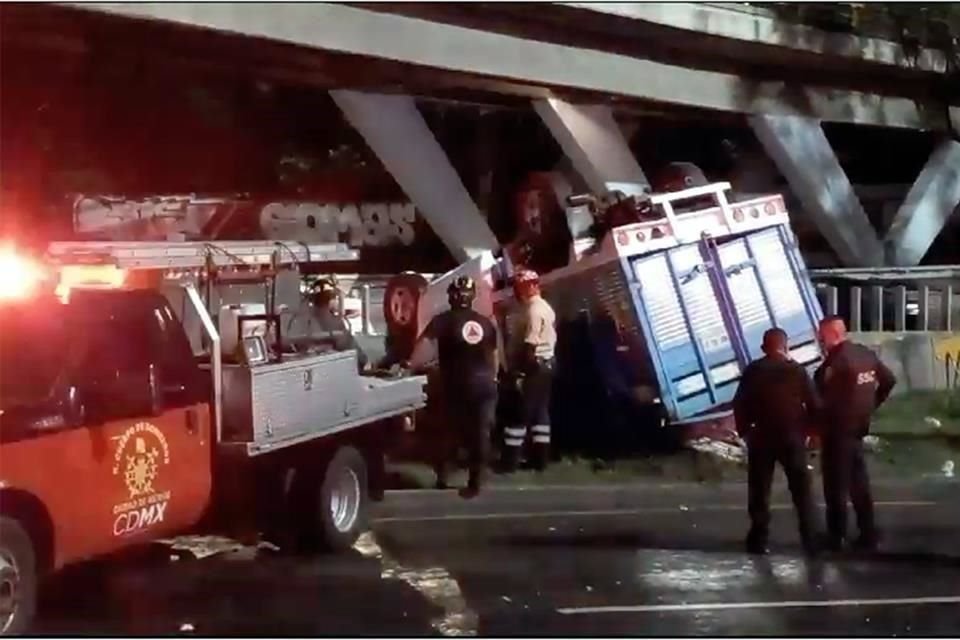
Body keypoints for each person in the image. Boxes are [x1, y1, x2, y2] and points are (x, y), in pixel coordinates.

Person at [407, 276, 499, 499]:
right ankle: (476, 481)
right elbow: (495, 354)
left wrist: (409, 365)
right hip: (485, 384)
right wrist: (494, 378)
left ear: (451, 296)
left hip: (457, 384)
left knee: (449, 430)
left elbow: (423, 348)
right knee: (481, 433)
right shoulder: (486, 322)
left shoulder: (442, 321)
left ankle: (444, 476)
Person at [733, 327, 820, 555]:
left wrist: (745, 431)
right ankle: (810, 539)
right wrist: (811, 432)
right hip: (792, 437)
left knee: (760, 490)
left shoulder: (754, 371)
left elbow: (739, 403)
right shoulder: (797, 371)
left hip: (761, 438)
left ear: (763, 348)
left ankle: (758, 539)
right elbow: (814, 404)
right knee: (801, 490)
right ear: (786, 346)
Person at [814, 316, 896, 552]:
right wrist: (871, 405)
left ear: (831, 334)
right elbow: (889, 380)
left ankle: (836, 536)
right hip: (858, 428)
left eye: (821, 335)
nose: (819, 339)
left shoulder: (834, 362)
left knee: (836, 486)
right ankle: (868, 532)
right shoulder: (865, 354)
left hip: (837, 432)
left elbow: (818, 398)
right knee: (859, 484)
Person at [500, 269, 557, 473]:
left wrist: (520, 373)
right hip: (548, 364)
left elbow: (530, 345)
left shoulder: (534, 311)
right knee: (541, 413)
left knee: (519, 413)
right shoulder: (545, 307)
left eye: (519, 287)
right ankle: (540, 460)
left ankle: (509, 462)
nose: (517, 292)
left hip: (534, 366)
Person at [285, 277, 369, 372]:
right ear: (331, 300)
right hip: (335, 366)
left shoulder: (301, 320)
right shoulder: (334, 322)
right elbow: (356, 354)